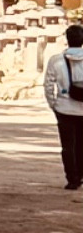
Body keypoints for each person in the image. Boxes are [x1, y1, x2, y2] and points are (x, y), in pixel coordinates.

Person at [43, 21, 83, 188]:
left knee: (68, 146)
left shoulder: (56, 60)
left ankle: (72, 178)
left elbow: (48, 84)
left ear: (67, 39)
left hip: (64, 107)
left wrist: (54, 104)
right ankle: (80, 173)